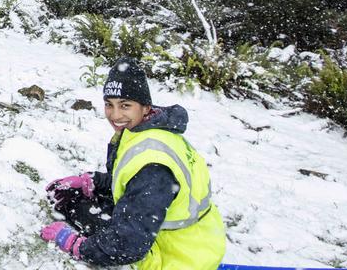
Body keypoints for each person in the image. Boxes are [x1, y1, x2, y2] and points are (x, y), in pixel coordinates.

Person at [40, 58, 226, 269]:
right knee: (74, 198)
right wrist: (94, 181)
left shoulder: (154, 166)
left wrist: (74, 244)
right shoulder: (149, 130)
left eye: (125, 105)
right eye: (109, 104)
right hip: (197, 243)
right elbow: (135, 184)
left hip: (175, 257)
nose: (115, 115)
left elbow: (127, 246)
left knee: (74, 207)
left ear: (145, 107)